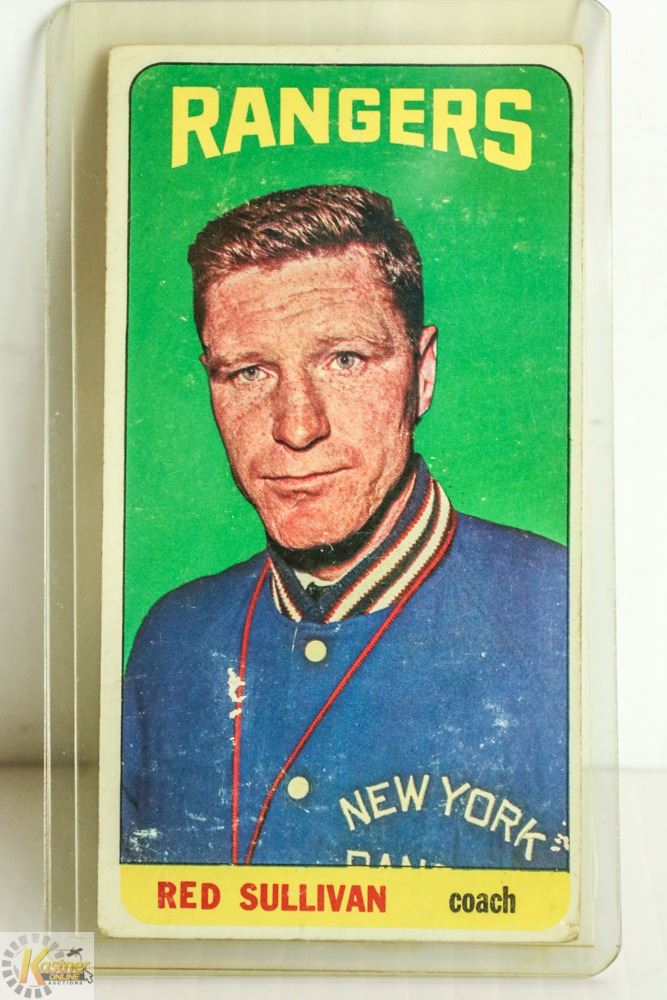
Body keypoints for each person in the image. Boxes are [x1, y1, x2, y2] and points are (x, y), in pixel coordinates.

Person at [121, 185, 568, 870]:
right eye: (249, 372)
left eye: (345, 361)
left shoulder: (560, 609)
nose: (297, 427)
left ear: (422, 375)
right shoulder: (174, 639)